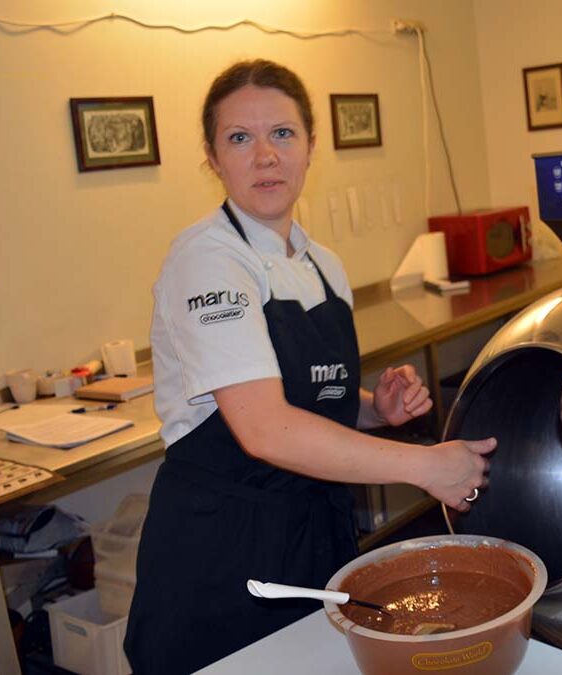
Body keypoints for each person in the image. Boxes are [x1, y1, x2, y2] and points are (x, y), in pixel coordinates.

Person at [123, 59, 496, 675]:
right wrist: (424, 464)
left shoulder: (323, 263)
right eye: (240, 138)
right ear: (213, 158)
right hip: (224, 552)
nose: (264, 155)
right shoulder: (208, 261)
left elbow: (311, 401)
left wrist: (377, 408)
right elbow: (264, 428)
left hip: (313, 535)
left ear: (310, 147)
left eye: (283, 134)